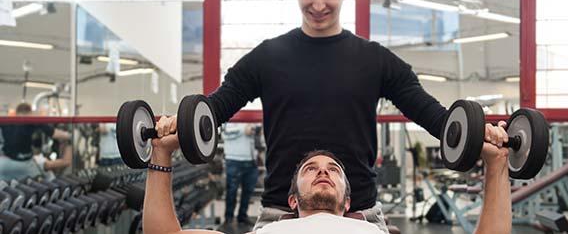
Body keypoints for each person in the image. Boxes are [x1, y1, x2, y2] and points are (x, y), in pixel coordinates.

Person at [153, 0, 511, 232]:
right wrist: (173, 128)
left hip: (359, 212)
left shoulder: (376, 60)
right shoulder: (267, 57)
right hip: (283, 210)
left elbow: (436, 118)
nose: (319, 4)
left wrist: (481, 135)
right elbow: (215, 108)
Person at [141, 145, 511, 234]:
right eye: (310, 169)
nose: (323, 172)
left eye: (333, 169)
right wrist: (160, 151)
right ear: (291, 199)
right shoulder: (270, 231)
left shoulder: (371, 231)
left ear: (348, 201)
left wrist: (497, 165)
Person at [0, 102, 72, 181]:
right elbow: (54, 134)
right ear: (30, 112)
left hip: (4, 164)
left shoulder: (5, 122)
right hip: (24, 164)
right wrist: (69, 137)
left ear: (16, 112)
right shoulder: (32, 120)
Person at [221, 123, 259, 225]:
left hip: (251, 160)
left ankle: (242, 216)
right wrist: (243, 129)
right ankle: (228, 218)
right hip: (234, 160)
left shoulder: (250, 116)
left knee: (248, 191)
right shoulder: (230, 116)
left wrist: (254, 127)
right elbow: (225, 133)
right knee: (232, 191)